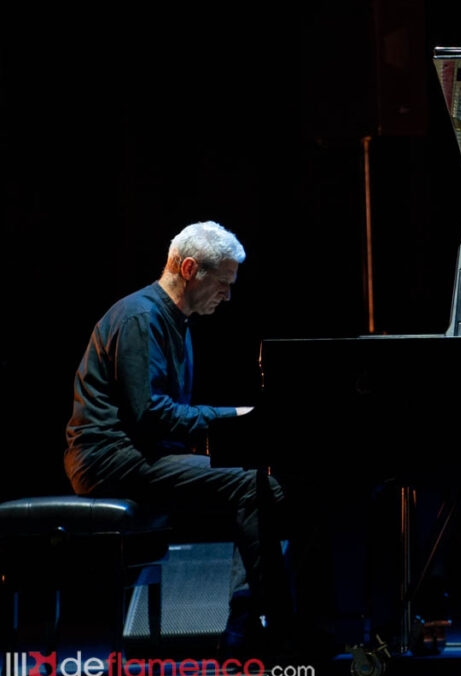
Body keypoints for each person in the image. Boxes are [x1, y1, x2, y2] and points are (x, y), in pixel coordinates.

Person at [64, 220, 291, 653]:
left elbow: (161, 420)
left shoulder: (175, 322)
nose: (227, 295)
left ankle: (249, 620)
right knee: (255, 485)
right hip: (109, 460)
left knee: (261, 479)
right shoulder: (141, 317)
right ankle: (264, 626)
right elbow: (151, 414)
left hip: (139, 453)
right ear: (189, 269)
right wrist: (237, 416)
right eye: (222, 283)